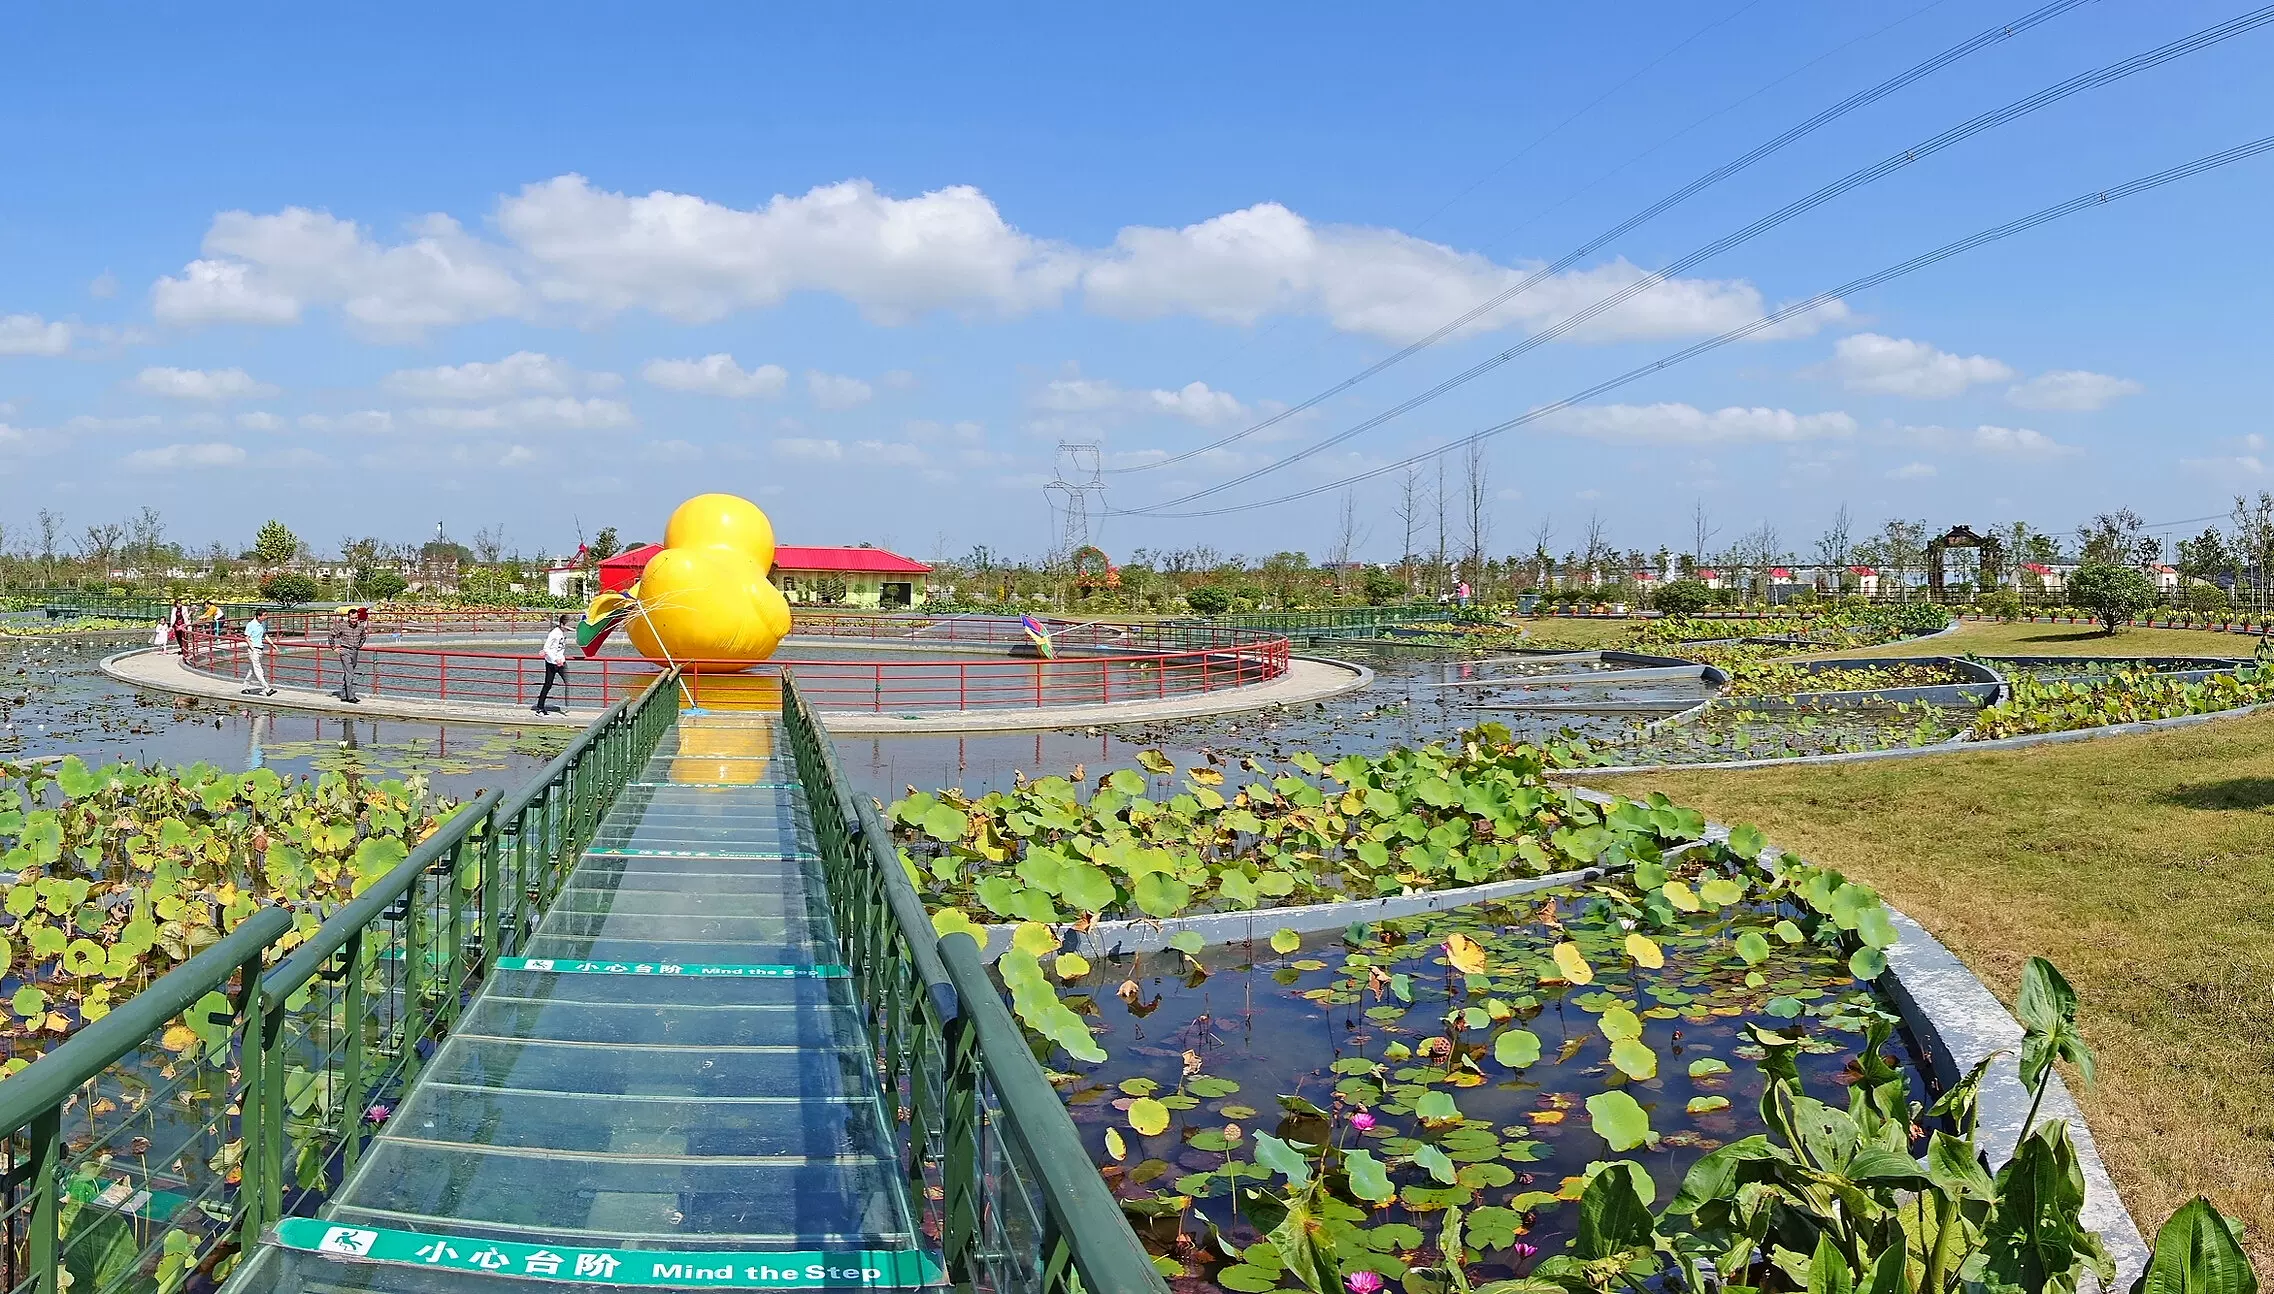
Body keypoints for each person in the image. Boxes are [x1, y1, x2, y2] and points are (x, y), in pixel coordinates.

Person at [329, 607, 368, 704]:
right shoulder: (342, 626)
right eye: (352, 618)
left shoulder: (360, 626)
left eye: (356, 618)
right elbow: (331, 635)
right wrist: (334, 648)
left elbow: (363, 637)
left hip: (355, 651)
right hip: (345, 651)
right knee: (350, 674)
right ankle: (351, 696)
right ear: (348, 618)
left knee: (348, 673)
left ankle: (344, 694)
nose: (354, 620)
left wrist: (359, 645)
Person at [534, 614, 572, 714]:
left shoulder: (565, 633)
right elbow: (546, 648)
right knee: (548, 685)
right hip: (551, 662)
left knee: (568, 682)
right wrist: (555, 659)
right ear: (562, 624)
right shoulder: (554, 633)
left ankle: (567, 707)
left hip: (561, 661)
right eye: (567, 626)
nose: (568, 629)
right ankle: (540, 708)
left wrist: (561, 659)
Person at [240, 609, 276, 696]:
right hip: (254, 649)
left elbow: (264, 635)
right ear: (259, 616)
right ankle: (267, 688)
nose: (266, 617)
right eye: (265, 615)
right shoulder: (251, 624)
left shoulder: (261, 624)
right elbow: (247, 637)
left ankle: (244, 687)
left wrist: (272, 644)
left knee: (252, 670)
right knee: (258, 669)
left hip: (259, 649)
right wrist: (252, 648)